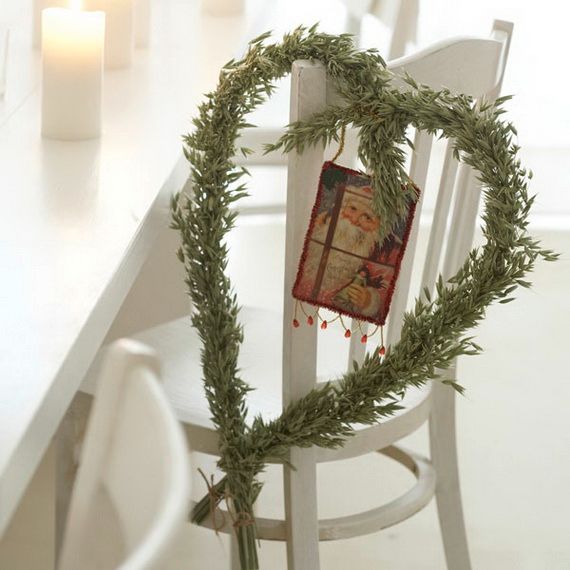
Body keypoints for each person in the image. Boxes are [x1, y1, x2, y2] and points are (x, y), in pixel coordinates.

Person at [297, 185, 392, 318]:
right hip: (302, 309)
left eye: (367, 217)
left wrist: (368, 300)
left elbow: (384, 290)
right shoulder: (320, 230)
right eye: (352, 208)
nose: (355, 220)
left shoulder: (381, 256)